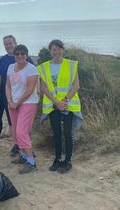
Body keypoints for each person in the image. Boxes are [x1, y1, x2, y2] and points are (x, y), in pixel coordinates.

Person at [37, 39, 82, 174]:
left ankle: (67, 161)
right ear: (50, 51)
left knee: (68, 133)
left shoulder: (71, 65)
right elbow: (43, 87)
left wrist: (65, 100)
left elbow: (76, 85)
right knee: (56, 133)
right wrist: (56, 102)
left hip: (68, 104)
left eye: (58, 49)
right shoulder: (44, 67)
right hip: (53, 105)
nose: (56, 51)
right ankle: (57, 159)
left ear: (63, 50)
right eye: (53, 49)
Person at [0, 35, 34, 157]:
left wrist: (20, 100)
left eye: (10, 43)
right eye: (5, 44)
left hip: (26, 101)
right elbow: (1, 79)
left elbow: (32, 84)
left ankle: (28, 149)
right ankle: (18, 146)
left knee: (24, 127)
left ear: (15, 42)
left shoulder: (28, 61)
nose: (8, 46)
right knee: (13, 125)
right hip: (10, 98)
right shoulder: (4, 62)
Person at [6, 44, 39, 174]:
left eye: (23, 53)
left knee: (21, 132)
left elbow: (30, 90)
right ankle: (23, 156)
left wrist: (18, 102)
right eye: (17, 54)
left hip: (28, 103)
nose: (20, 56)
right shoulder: (10, 67)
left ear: (26, 54)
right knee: (15, 131)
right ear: (14, 55)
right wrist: (10, 101)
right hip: (13, 103)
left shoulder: (31, 69)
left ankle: (31, 162)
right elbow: (8, 86)